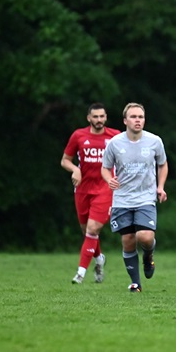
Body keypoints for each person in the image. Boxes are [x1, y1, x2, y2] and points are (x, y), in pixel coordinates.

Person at [101, 103, 168, 292]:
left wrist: (160, 187)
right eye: (133, 117)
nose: (137, 120)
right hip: (122, 199)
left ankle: (148, 256)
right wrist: (109, 180)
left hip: (145, 198)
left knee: (145, 237)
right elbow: (105, 167)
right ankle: (136, 283)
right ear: (125, 120)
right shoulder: (115, 143)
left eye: (140, 117)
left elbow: (162, 164)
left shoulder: (154, 141)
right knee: (128, 239)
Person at [61, 102, 122, 284]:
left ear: (106, 117)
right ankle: (99, 259)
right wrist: (75, 169)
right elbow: (65, 160)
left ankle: (80, 273)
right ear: (89, 118)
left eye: (102, 116)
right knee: (87, 231)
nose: (99, 120)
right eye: (95, 117)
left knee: (93, 228)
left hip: (105, 189)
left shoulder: (115, 136)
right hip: (82, 189)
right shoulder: (79, 136)